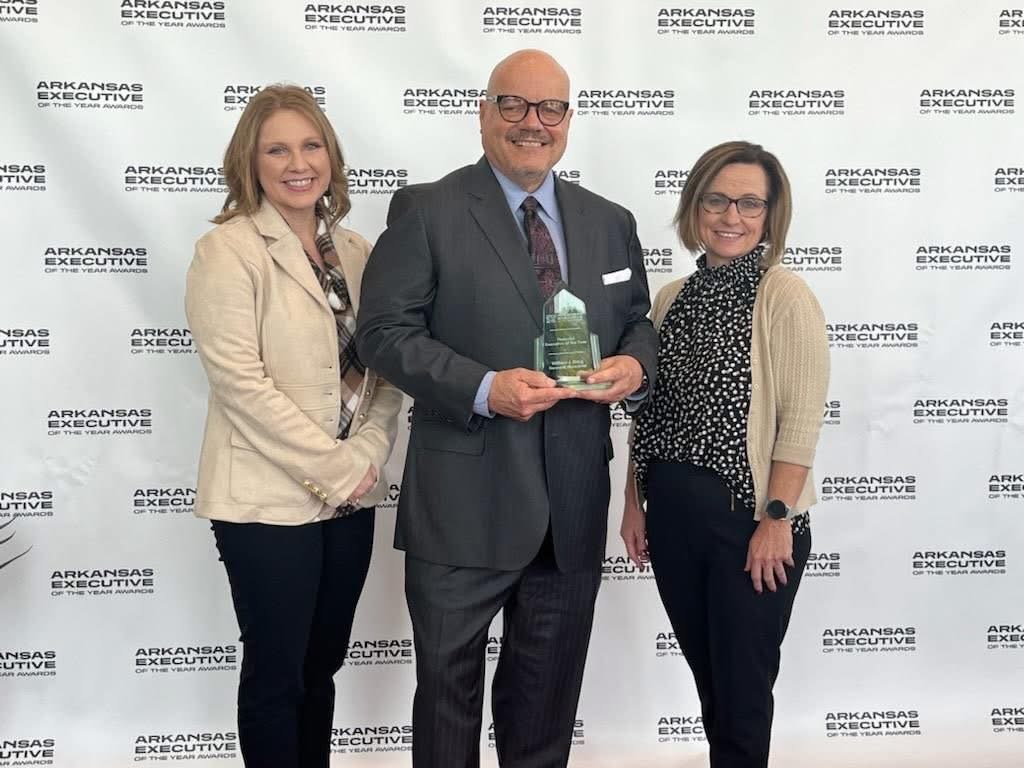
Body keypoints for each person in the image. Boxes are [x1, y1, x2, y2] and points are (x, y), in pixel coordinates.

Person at [356, 49, 658, 768]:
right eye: (514, 104)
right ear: (484, 113)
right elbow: (383, 334)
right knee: (447, 705)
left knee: (544, 717)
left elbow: (637, 320)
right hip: (464, 503)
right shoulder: (426, 209)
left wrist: (635, 364)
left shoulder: (610, 221)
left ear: (568, 120)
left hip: (572, 504)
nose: (533, 123)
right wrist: (484, 388)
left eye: (550, 108)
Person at [184, 84, 401, 768]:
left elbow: (386, 374)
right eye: (276, 149)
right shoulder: (227, 251)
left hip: (352, 497)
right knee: (277, 675)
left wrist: (367, 454)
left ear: (330, 157)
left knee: (321, 666)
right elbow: (241, 385)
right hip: (264, 502)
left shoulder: (361, 253)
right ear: (250, 163)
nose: (297, 163)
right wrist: (337, 467)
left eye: (311, 146)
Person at [622, 141, 830, 768]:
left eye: (749, 203)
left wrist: (776, 519)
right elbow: (651, 414)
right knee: (711, 682)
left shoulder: (784, 295)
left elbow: (800, 422)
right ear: (695, 207)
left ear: (770, 215)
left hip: (750, 522)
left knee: (742, 692)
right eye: (716, 200)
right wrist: (633, 503)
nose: (731, 216)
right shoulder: (670, 298)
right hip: (673, 518)